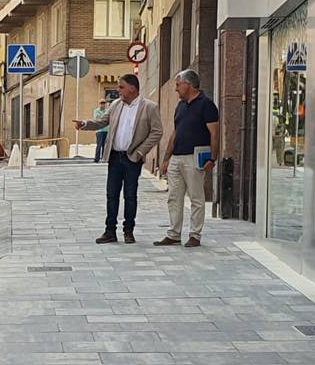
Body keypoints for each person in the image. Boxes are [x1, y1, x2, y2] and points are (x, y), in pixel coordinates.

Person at [76, 73, 162, 244]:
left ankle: (128, 231)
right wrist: (85, 124)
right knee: (111, 195)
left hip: (132, 158)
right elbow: (102, 121)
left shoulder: (149, 108)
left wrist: (140, 152)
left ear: (132, 88)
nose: (118, 90)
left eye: (121, 87)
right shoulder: (116, 105)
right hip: (115, 157)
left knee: (130, 196)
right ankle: (110, 231)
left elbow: (157, 132)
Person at [157, 69, 218, 248]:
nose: (176, 89)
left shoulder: (206, 105)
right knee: (173, 197)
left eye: (178, 85)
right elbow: (175, 133)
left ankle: (195, 235)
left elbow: (214, 133)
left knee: (196, 198)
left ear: (188, 84)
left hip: (194, 158)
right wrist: (166, 158)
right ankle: (174, 234)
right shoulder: (180, 106)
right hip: (176, 157)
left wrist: (213, 158)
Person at [92, 98, 110, 162]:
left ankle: (104, 158)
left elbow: (107, 118)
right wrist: (104, 117)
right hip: (99, 130)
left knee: (105, 145)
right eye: (101, 103)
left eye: (104, 103)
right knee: (99, 145)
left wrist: (103, 118)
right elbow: (97, 118)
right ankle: (97, 159)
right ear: (99, 104)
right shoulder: (96, 111)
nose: (102, 104)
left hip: (106, 130)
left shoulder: (107, 111)